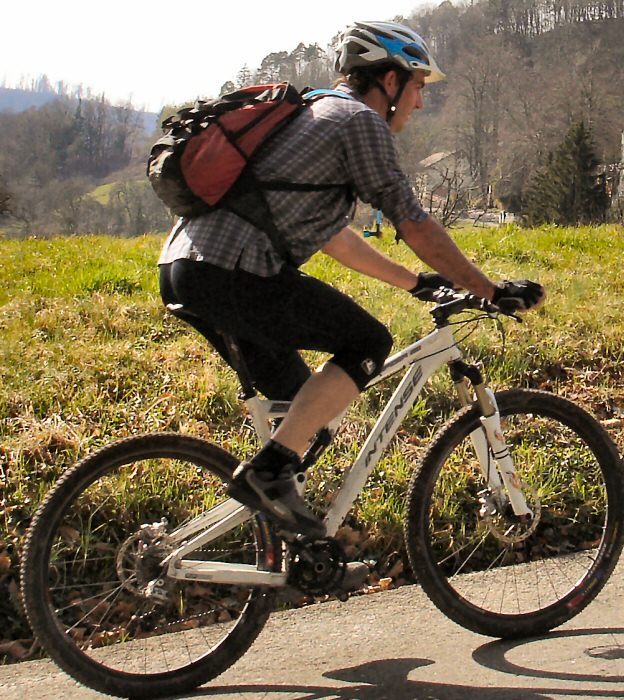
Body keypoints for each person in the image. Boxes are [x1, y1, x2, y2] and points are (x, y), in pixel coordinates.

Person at [157, 20, 545, 561]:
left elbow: (335, 238)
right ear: (388, 80)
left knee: (307, 419)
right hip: (232, 271)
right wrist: (488, 289)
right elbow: (413, 222)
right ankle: (267, 478)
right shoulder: (359, 121)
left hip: (188, 268)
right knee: (367, 342)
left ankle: (291, 550)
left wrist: (417, 282)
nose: (421, 102)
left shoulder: (314, 112)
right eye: (417, 86)